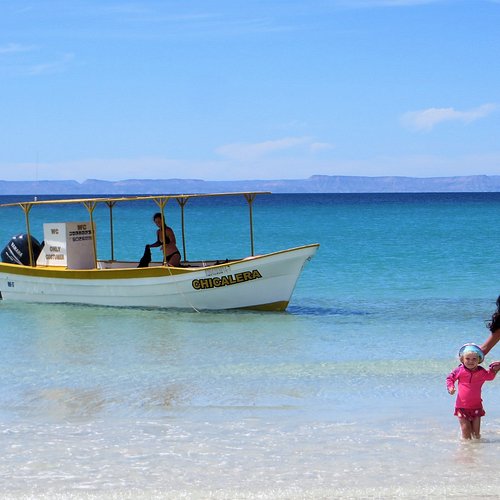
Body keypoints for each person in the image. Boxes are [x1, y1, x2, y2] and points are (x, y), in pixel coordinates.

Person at [446, 343, 500, 439]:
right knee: (466, 432)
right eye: (467, 359)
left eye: (474, 359)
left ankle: (476, 451)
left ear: (479, 360)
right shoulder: (459, 370)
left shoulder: (481, 372)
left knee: (476, 435)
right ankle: (466, 451)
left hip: (476, 406)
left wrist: (494, 369)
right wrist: (450, 387)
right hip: (462, 406)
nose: (471, 361)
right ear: (462, 359)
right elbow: (450, 378)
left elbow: (490, 377)